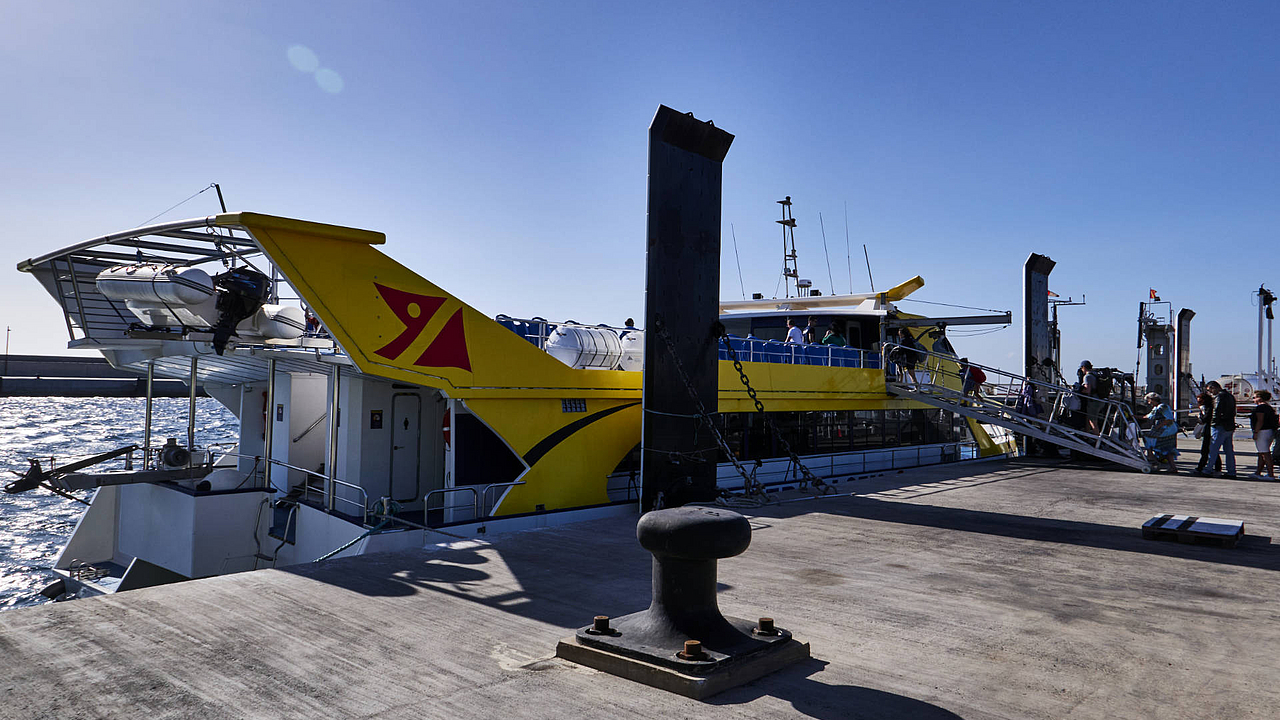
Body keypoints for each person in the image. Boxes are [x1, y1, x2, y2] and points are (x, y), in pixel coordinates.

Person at [1198, 380, 1237, 478]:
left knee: (1213, 449)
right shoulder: (1230, 396)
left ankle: (1208, 469)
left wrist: (1213, 424)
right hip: (1229, 426)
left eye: (1210, 390)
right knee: (1229, 451)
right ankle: (1231, 471)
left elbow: (1216, 411)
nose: (1210, 393)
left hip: (1219, 426)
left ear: (1213, 388)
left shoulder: (1218, 397)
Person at [1142, 392, 1179, 473]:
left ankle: (1151, 456)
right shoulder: (1156, 408)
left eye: (1149, 401)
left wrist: (1159, 426)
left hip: (1167, 430)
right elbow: (1148, 416)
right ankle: (1170, 466)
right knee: (1166, 449)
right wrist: (1135, 416)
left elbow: (1169, 419)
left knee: (1149, 439)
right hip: (1164, 429)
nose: (1148, 403)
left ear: (1153, 400)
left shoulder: (1162, 407)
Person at [1249, 389, 1277, 479]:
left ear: (1259, 398)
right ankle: (1258, 472)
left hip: (1262, 432)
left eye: (1254, 398)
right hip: (1269, 431)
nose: (1253, 400)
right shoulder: (1269, 407)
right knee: (1261, 453)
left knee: (1265, 453)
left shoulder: (1260, 408)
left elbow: (1260, 421)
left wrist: (1256, 432)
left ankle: (1270, 474)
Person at [1193, 391, 1221, 475]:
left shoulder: (1209, 409)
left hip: (1209, 430)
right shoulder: (1208, 408)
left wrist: (1201, 414)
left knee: (1206, 450)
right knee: (1211, 449)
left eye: (1200, 402)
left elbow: (1205, 419)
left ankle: (1202, 466)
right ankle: (1217, 467)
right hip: (1207, 430)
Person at [1078, 361, 1102, 434]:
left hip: (1093, 401)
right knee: (1088, 418)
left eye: (1081, 368)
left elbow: (1088, 390)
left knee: (1093, 421)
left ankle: (1098, 439)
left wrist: (1079, 390)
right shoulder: (1095, 375)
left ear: (1084, 367)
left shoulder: (1087, 376)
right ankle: (1087, 435)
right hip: (1099, 399)